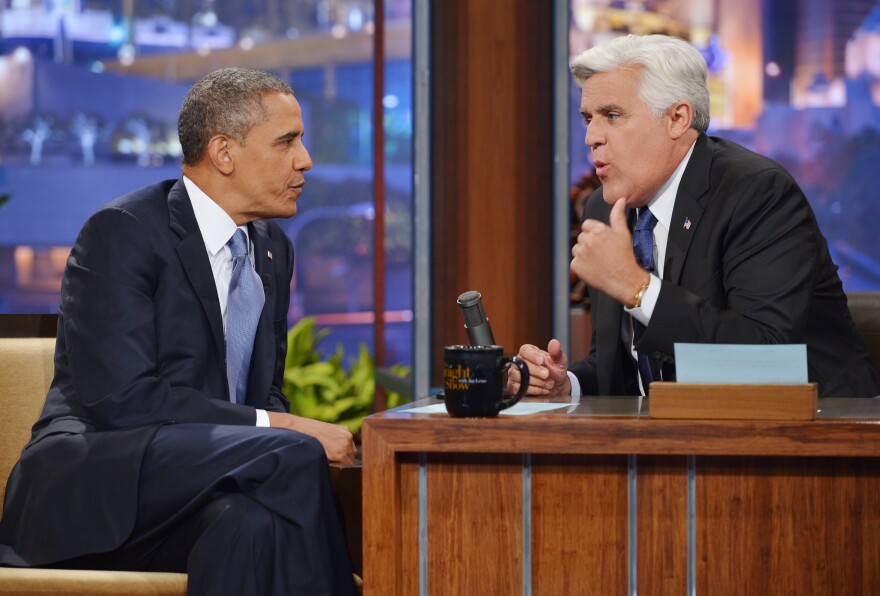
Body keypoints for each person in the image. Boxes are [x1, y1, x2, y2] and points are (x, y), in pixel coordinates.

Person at [0, 68, 359, 595]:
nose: (305, 159)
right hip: (99, 478)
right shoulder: (122, 232)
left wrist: (272, 422)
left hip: (208, 483)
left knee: (247, 525)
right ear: (224, 152)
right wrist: (282, 428)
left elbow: (264, 391)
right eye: (287, 141)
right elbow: (123, 401)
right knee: (293, 450)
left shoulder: (271, 249)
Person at [508, 34, 880, 399]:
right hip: (677, 439)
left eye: (612, 115)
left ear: (677, 118)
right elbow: (629, 369)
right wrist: (567, 385)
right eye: (588, 118)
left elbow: (762, 356)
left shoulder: (757, 193)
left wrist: (636, 288)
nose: (591, 136)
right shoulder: (605, 209)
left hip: (822, 435)